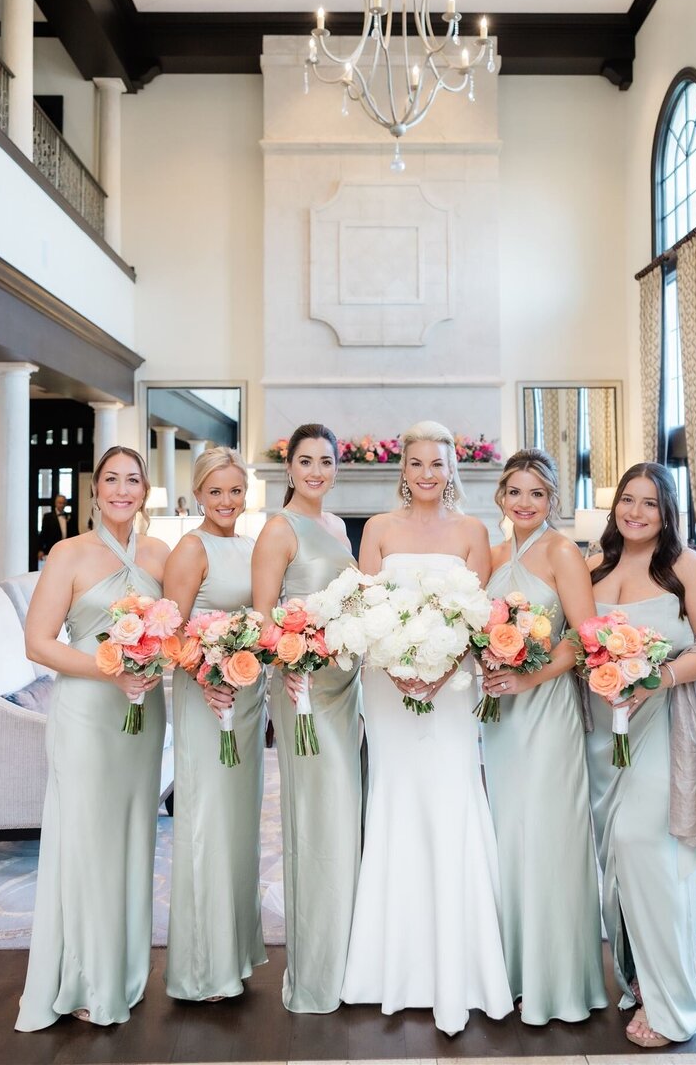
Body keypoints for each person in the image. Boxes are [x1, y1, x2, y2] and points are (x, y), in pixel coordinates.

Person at [340, 420, 512, 1036]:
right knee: (396, 802)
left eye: (437, 463)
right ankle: (389, 966)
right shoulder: (378, 530)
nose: (427, 474)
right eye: (416, 463)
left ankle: (463, 967)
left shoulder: (473, 532)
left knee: (450, 799)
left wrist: (439, 675)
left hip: (452, 689)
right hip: (386, 688)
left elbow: (479, 619)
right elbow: (363, 608)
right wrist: (394, 670)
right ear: (403, 470)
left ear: (451, 469)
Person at [586, 462, 696, 1048]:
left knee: (645, 848)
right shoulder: (594, 566)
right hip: (604, 733)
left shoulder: (686, 567)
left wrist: (659, 679)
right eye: (628, 499)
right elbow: (572, 639)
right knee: (615, 862)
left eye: (650, 503)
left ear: (668, 512)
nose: (636, 512)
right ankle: (640, 977)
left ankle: (674, 1001)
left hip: (667, 724)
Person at [16, 447, 169, 1031]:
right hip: (86, 713)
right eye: (111, 479)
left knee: (132, 838)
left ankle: (123, 972)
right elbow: (38, 642)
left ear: (145, 491)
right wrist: (110, 670)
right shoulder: (69, 553)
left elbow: (177, 629)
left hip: (143, 714)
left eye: (133, 480)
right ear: (95, 489)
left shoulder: (160, 554)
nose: (122, 490)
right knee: (85, 840)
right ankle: (82, 977)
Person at [480, 449, 608, 1024]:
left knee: (548, 835)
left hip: (546, 709)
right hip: (501, 717)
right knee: (508, 835)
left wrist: (527, 676)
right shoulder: (495, 554)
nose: (525, 502)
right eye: (515, 492)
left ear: (552, 498)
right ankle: (511, 970)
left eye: (537, 493)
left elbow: (582, 638)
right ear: (501, 497)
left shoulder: (562, 551)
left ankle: (555, 981)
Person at [251, 423, 361, 1013]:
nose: (316, 471)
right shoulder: (279, 529)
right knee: (318, 821)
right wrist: (285, 665)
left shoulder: (338, 528)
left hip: (346, 687)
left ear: (336, 468)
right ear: (289, 467)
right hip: (305, 691)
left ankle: (351, 957)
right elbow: (263, 617)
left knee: (347, 818)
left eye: (325, 461)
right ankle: (319, 973)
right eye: (306, 461)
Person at [164, 448, 266, 1001]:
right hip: (206, 696)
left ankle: (235, 953)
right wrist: (207, 674)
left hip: (245, 698)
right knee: (206, 820)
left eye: (235, 490)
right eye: (216, 491)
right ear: (199, 494)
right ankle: (203, 968)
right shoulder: (190, 548)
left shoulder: (250, 546)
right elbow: (173, 630)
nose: (227, 501)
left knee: (238, 824)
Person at [38, 493, 70, 560]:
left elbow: (75, 534)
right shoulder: (48, 517)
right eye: (60, 503)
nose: (62, 505)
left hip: (67, 549)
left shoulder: (70, 516)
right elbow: (43, 534)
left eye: (64, 503)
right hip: (52, 549)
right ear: (56, 503)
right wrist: (41, 549)